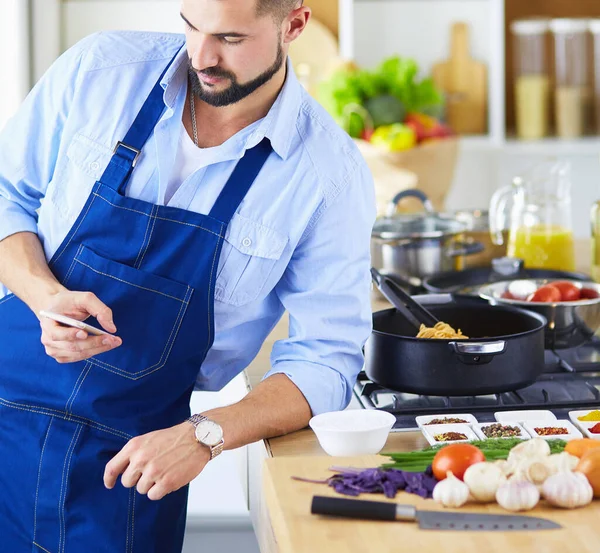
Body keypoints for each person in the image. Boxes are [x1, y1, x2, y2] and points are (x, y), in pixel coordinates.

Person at [0, 0, 375, 551]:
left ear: (293, 24)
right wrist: (43, 293)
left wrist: (208, 434)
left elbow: (328, 357)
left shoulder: (327, 176)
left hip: (132, 467)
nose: (200, 56)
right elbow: (8, 197)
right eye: (191, 26)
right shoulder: (100, 71)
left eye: (229, 38)